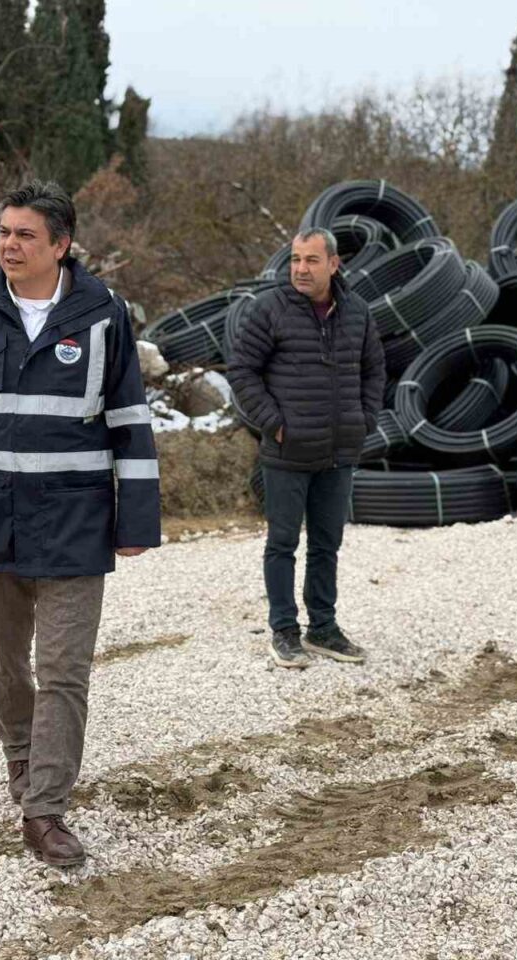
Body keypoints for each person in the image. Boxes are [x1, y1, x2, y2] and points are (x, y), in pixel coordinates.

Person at [0, 180, 160, 867]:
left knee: (64, 670)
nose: (8, 245)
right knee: (5, 669)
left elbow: (130, 420)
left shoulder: (104, 313)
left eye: (24, 235)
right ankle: (23, 762)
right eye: (4, 232)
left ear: (61, 246)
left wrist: (136, 518)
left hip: (77, 521)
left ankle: (45, 810)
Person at [227, 227, 385, 668]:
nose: (300, 269)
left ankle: (324, 628)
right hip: (287, 451)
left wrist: (364, 418)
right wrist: (273, 423)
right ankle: (284, 630)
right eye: (296, 259)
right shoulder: (269, 310)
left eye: (311, 260)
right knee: (282, 543)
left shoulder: (357, 312)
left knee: (326, 543)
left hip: (338, 451)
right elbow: (241, 371)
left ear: (334, 264)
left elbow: (374, 371)